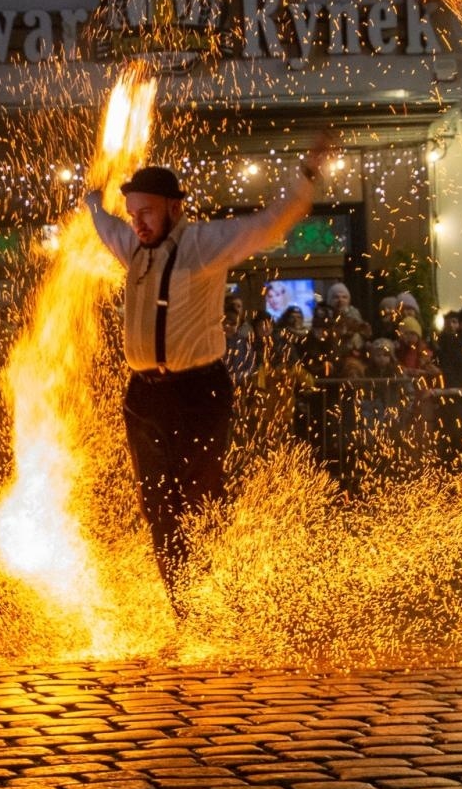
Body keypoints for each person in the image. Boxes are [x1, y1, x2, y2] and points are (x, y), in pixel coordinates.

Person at [85, 131, 333, 608]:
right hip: (144, 395)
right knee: (157, 504)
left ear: (175, 208)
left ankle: (211, 590)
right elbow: (104, 224)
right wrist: (93, 199)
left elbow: (269, 224)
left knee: (199, 496)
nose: (136, 223)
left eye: (147, 213)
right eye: (133, 214)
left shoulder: (204, 244)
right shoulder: (130, 246)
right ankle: (183, 602)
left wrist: (307, 174)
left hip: (198, 391)